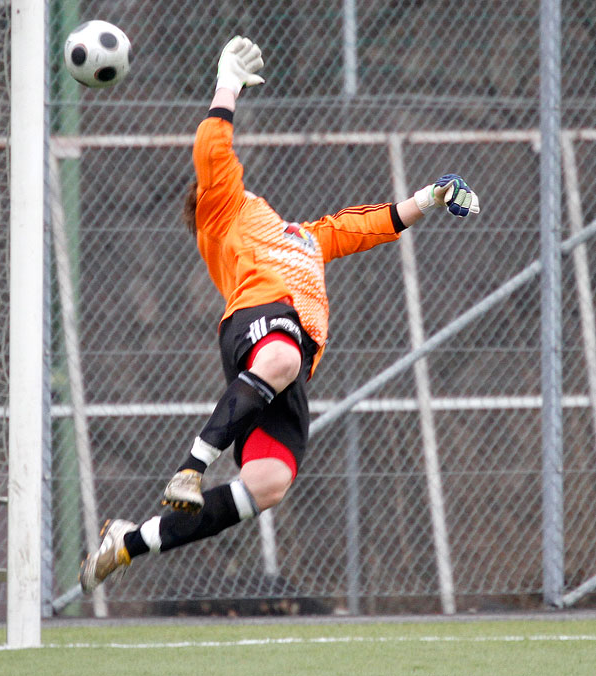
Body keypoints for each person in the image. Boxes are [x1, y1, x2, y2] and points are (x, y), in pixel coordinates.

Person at [79, 36, 480, 593]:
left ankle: (128, 541)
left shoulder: (302, 236)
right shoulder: (223, 209)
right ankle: (191, 466)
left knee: (267, 484)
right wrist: (226, 87)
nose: (224, 185)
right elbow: (213, 154)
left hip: (289, 359)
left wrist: (431, 197)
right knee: (282, 354)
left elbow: (363, 225)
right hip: (259, 322)